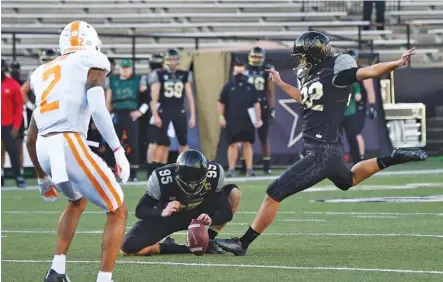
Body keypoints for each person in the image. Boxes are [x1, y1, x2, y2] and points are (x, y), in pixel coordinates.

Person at [215, 31, 427, 256]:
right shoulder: (313, 75)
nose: (301, 60)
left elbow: (370, 71)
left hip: (320, 150)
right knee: (349, 180)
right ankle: (392, 158)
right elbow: (304, 98)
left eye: (303, 56)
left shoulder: (337, 71)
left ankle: (243, 244)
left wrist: (397, 62)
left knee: (273, 193)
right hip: (331, 148)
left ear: (313, 54)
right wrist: (281, 83)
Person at [25, 21, 130, 282]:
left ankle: (57, 271)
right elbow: (97, 107)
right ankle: (104, 280)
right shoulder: (91, 59)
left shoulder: (42, 71)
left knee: (77, 200)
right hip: (67, 141)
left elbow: (30, 137)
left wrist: (42, 178)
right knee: (118, 210)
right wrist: (118, 149)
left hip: (43, 147)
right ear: (91, 42)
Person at [121, 149, 242, 256]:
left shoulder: (214, 173)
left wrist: (211, 218)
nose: (193, 187)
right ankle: (170, 247)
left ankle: (208, 241)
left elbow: (226, 212)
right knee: (128, 248)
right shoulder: (162, 178)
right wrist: (161, 212)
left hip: (199, 214)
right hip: (169, 218)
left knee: (234, 194)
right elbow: (140, 209)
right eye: (189, 183)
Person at [150, 49, 196, 172]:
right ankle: (155, 167)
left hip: (179, 109)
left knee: (183, 140)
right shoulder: (159, 74)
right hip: (164, 109)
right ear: (166, 60)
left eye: (175, 59)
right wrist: (155, 114)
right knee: (161, 140)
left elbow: (190, 97)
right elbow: (153, 97)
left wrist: (192, 116)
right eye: (170, 59)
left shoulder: (184, 74)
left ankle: (186, 166)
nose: (172, 62)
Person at [106, 59, 148, 181]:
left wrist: (140, 112)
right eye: (123, 68)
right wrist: (106, 116)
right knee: (113, 143)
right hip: (117, 113)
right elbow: (108, 100)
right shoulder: (113, 80)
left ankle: (133, 171)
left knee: (133, 143)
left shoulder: (138, 80)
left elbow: (147, 98)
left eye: (127, 68)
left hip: (131, 114)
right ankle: (114, 170)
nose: (125, 70)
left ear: (131, 69)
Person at [218, 61, 262, 177]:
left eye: (241, 71)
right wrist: (221, 117)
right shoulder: (228, 86)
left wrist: (258, 118)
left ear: (245, 72)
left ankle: (249, 169)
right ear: (233, 72)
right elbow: (220, 102)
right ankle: (231, 169)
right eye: (237, 71)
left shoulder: (250, 87)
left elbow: (256, 103)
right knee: (232, 144)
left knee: (247, 144)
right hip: (232, 120)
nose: (239, 74)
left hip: (247, 120)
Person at [245, 47, 276, 174]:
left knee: (264, 137)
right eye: (254, 56)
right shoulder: (245, 69)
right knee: (245, 137)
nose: (256, 59)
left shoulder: (266, 69)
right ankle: (245, 165)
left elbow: (270, 91)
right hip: (246, 106)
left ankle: (267, 164)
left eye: (259, 56)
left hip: (262, 106)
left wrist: (272, 108)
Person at [1, 59, 25, 188]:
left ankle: (18, 176)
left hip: (8, 125)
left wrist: (16, 125)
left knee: (13, 151)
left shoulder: (13, 85)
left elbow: (19, 106)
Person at [145, 53, 165, 177]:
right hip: (156, 109)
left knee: (160, 141)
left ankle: (155, 167)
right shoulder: (156, 75)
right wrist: (155, 114)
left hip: (160, 109)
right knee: (154, 141)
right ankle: (151, 168)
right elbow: (153, 97)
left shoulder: (154, 75)